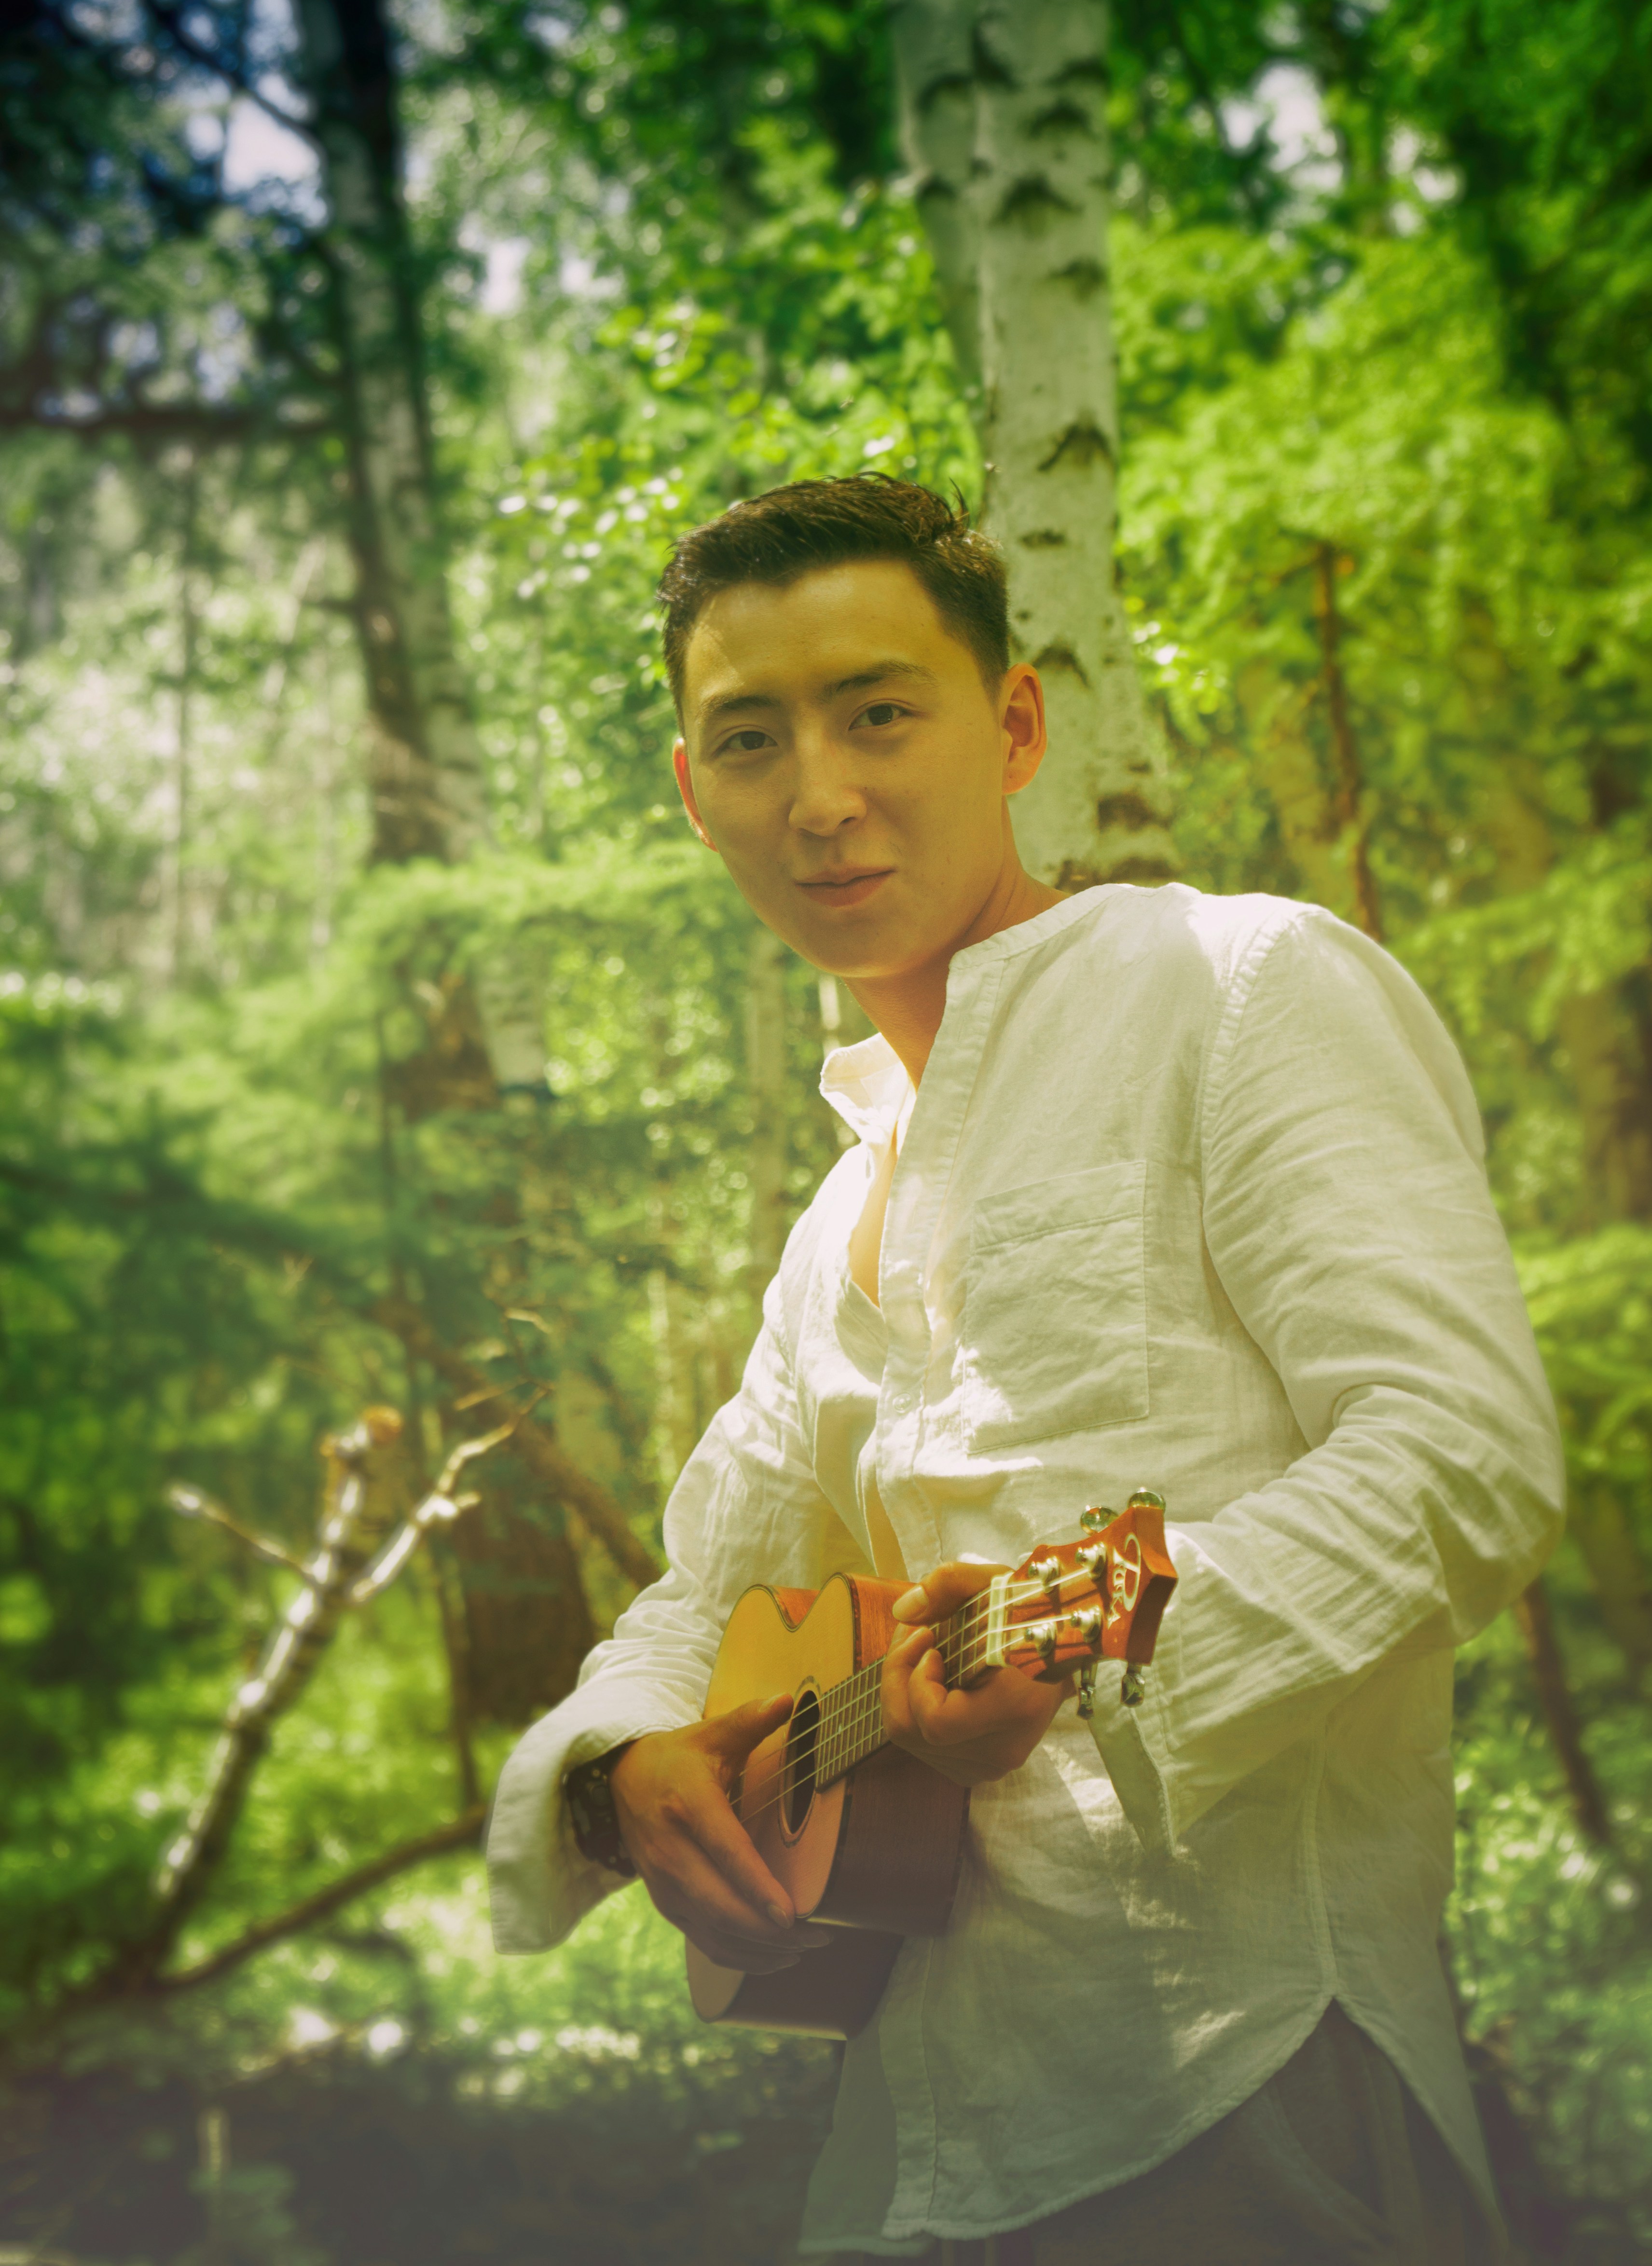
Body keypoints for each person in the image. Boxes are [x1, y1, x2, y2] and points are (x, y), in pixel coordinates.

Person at [486, 476, 1563, 2264]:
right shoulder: (831, 1222)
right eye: (749, 738)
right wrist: (617, 1775)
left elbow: (1465, 1454)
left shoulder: (1241, 986)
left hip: (1241, 2090)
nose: (820, 796)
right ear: (693, 793)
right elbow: (703, 1595)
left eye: (880, 712)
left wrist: (1100, 1661)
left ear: (1015, 722)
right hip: (906, 2129)